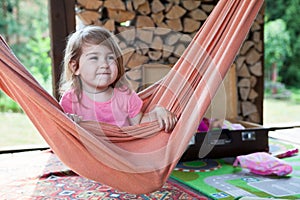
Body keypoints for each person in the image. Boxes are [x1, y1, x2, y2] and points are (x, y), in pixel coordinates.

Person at [59, 25, 177, 132]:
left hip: (122, 153)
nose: (104, 64)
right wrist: (69, 121)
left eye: (110, 58)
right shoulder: (71, 99)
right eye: (94, 58)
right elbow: (61, 133)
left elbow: (140, 123)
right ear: (75, 67)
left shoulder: (124, 95)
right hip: (87, 152)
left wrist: (157, 112)